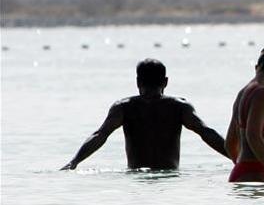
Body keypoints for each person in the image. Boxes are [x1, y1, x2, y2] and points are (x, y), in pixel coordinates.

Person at [62, 58, 229, 171]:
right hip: (169, 179)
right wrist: (235, 158)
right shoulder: (179, 107)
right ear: (165, 81)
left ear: (137, 82)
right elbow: (206, 132)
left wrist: (74, 162)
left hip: (136, 179)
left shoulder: (124, 107)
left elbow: (100, 135)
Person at [225, 48, 264, 183]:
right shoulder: (263, 93)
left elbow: (230, 142)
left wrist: (241, 165)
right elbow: (253, 135)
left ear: (257, 68)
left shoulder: (243, 93)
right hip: (256, 173)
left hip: (244, 171)